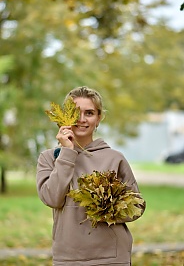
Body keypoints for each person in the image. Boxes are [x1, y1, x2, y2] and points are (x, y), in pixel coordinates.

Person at [36, 86, 146, 266]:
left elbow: (138, 206)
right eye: (76, 113)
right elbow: (52, 198)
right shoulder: (49, 158)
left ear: (99, 118)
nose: (81, 119)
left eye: (89, 113)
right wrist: (67, 153)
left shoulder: (115, 158)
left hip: (112, 257)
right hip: (68, 258)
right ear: (65, 116)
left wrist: (107, 209)